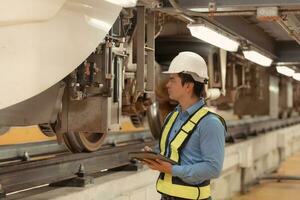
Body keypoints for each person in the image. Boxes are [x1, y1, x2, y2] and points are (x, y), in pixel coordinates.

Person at [143, 51, 227, 200]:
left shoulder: (210, 123)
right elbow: (173, 151)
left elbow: (213, 169)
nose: (167, 85)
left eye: (172, 80)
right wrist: (153, 154)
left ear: (188, 86)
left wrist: (173, 170)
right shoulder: (172, 116)